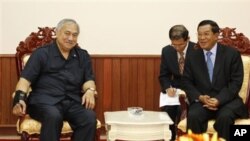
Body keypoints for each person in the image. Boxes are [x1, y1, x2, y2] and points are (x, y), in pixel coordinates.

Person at [12, 18, 97, 141]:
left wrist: (90, 90)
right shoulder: (41, 54)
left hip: (71, 102)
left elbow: (88, 79)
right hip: (43, 102)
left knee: (89, 117)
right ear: (57, 33)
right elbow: (25, 81)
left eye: (75, 35)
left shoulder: (82, 56)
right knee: (53, 115)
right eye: (67, 33)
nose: (71, 38)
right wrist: (18, 100)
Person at [182, 20, 248, 141]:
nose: (202, 38)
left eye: (206, 34)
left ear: (216, 35)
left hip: (227, 101)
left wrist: (219, 100)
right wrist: (200, 97)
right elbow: (186, 82)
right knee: (193, 115)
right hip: (203, 102)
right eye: (199, 34)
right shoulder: (192, 56)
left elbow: (235, 82)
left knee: (225, 117)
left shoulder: (231, 54)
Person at [159, 25, 196, 141]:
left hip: (193, 89)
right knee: (168, 110)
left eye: (181, 45)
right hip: (175, 90)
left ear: (188, 39)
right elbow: (163, 75)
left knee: (182, 109)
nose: (177, 48)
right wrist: (167, 87)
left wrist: (189, 91)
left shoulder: (197, 49)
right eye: (174, 45)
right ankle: (170, 137)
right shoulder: (167, 51)